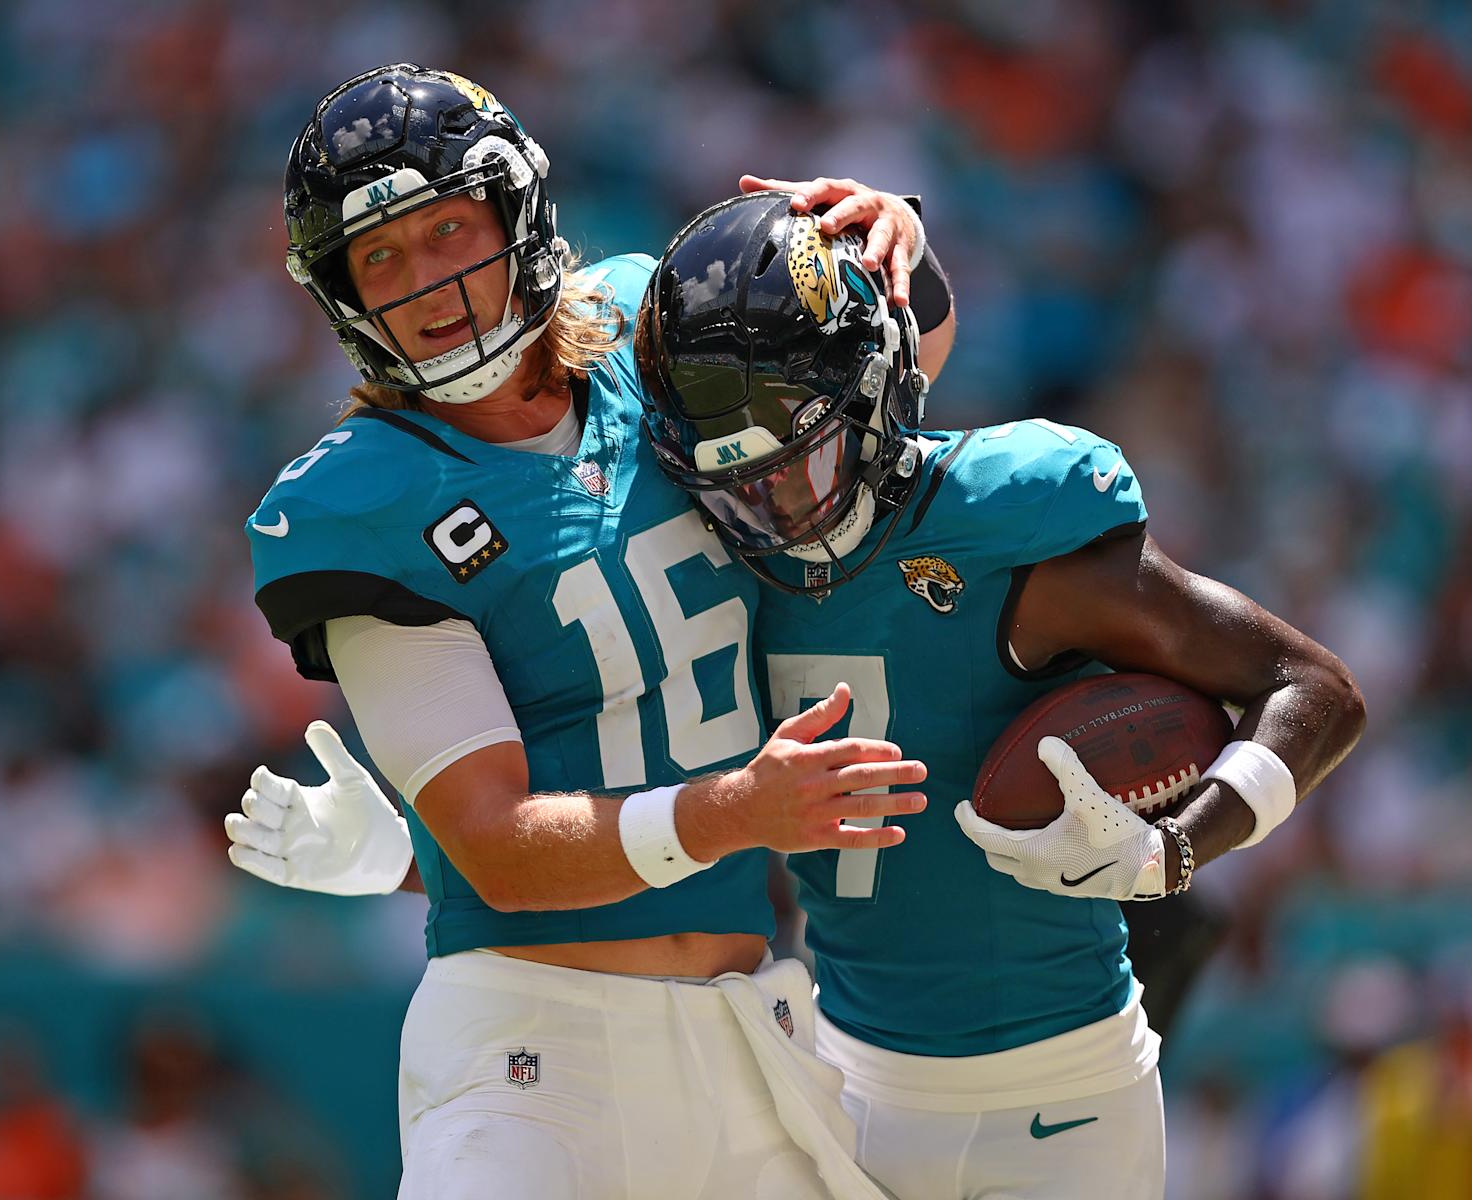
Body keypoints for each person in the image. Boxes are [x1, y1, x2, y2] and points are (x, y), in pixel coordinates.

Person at [237, 187, 1366, 1199]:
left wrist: (894, 242)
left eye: (801, 456)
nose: (775, 503)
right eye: (729, 475)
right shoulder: (732, 552)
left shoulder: (992, 517)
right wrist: (419, 858)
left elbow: (1308, 683)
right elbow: (652, 786)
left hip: (894, 1059)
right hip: (823, 1071)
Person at [238, 64, 941, 1199]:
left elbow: (855, 405)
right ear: (340, 291)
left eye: (445, 228)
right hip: (533, 1054)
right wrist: (734, 809)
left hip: (753, 1032)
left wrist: (894, 246)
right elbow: (499, 847)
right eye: (380, 257)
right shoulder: (359, 503)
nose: (424, 281)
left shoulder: (642, 333)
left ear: (516, 212)